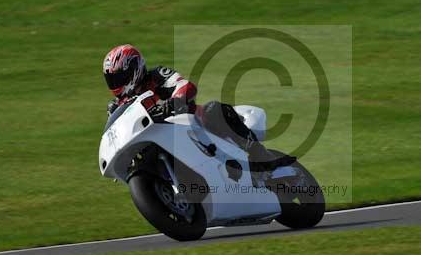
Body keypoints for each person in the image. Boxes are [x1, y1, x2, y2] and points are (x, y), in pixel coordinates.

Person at [103, 44, 295, 171]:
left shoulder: (156, 76)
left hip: (191, 125)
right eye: (112, 79)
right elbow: (115, 134)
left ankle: (259, 154)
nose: (116, 84)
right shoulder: (116, 107)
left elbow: (184, 85)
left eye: (119, 77)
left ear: (134, 69)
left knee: (213, 108)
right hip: (157, 140)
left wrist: (173, 102)